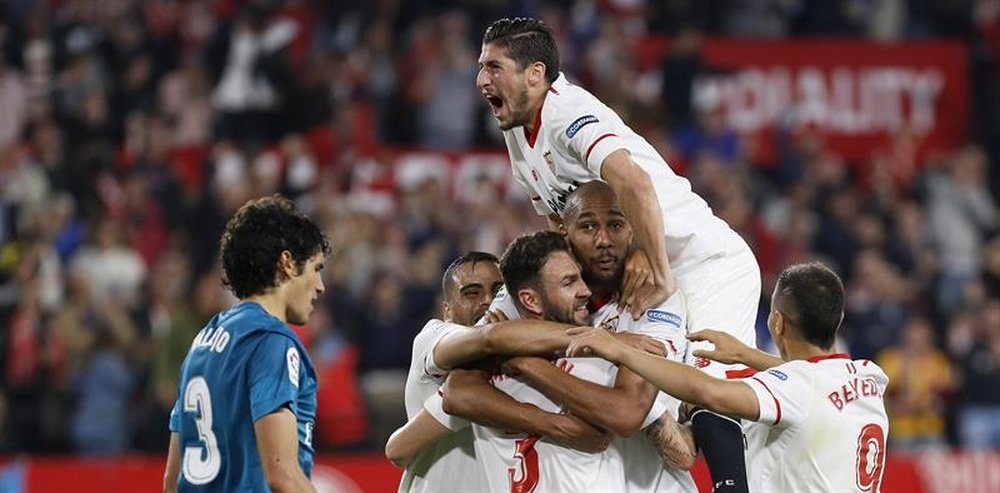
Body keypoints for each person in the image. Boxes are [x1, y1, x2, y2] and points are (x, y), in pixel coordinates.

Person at [477, 17, 761, 490]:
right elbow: (557, 222)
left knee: (708, 388)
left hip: (703, 262)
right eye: (480, 67)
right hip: (637, 267)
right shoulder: (515, 131)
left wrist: (654, 262)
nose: (482, 79)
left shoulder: (567, 113)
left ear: (535, 73)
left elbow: (633, 181)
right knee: (664, 422)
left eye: (494, 66)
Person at [567, 262, 890, 492]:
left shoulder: (794, 390)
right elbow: (814, 379)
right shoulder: (870, 376)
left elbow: (704, 390)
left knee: (708, 409)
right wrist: (747, 355)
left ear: (776, 322)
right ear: (839, 318)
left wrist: (619, 349)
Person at [500, 181, 697, 492]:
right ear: (564, 233)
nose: (604, 240)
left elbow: (628, 412)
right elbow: (481, 346)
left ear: (633, 231)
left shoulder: (654, 299)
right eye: (588, 226)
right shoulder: (536, 288)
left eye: (616, 225)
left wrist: (526, 362)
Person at [394, 251, 609, 492]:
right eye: (471, 293)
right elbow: (397, 449)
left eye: (497, 292)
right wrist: (612, 342)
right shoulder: (433, 337)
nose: (487, 301)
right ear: (447, 310)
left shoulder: (520, 364)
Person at [163, 195, 329, 493]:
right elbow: (281, 473)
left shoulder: (202, 343)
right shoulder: (272, 342)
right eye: (316, 268)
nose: (320, 285)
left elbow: (171, 481)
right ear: (288, 263)